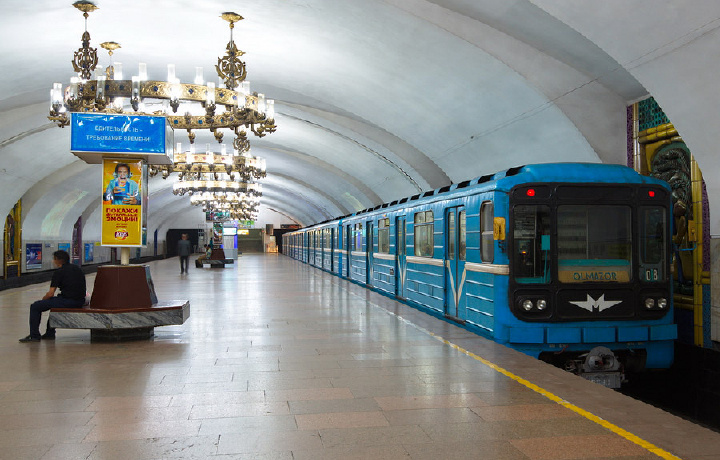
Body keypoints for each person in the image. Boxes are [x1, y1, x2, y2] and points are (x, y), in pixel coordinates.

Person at [19, 250, 86, 342]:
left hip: (68, 301)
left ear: (58, 260)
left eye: (54, 259)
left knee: (35, 306)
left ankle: (34, 336)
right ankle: (49, 333)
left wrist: (43, 300)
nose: (53, 261)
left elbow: (50, 293)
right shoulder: (77, 269)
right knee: (54, 303)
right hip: (80, 301)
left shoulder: (59, 272)